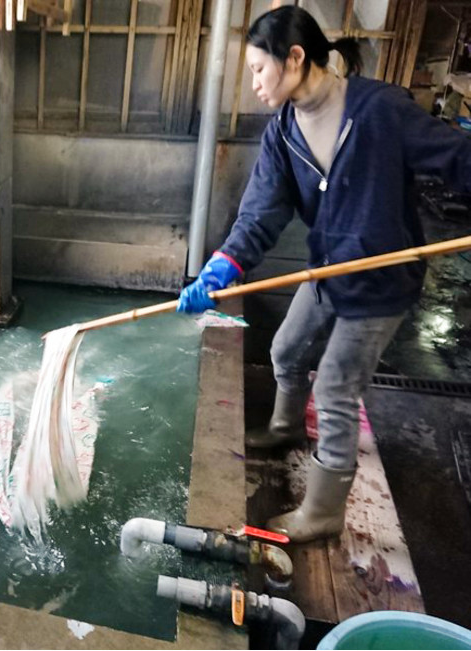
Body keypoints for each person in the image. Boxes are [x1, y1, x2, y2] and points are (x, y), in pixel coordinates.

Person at [177, 6, 471, 543]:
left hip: (381, 282)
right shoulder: (284, 132)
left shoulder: (379, 110)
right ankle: (285, 427)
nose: (254, 84)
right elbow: (260, 214)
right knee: (286, 349)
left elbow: (458, 157)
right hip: (327, 267)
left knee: (336, 386)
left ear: (294, 58)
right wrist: (220, 267)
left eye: (258, 70)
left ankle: (323, 510)